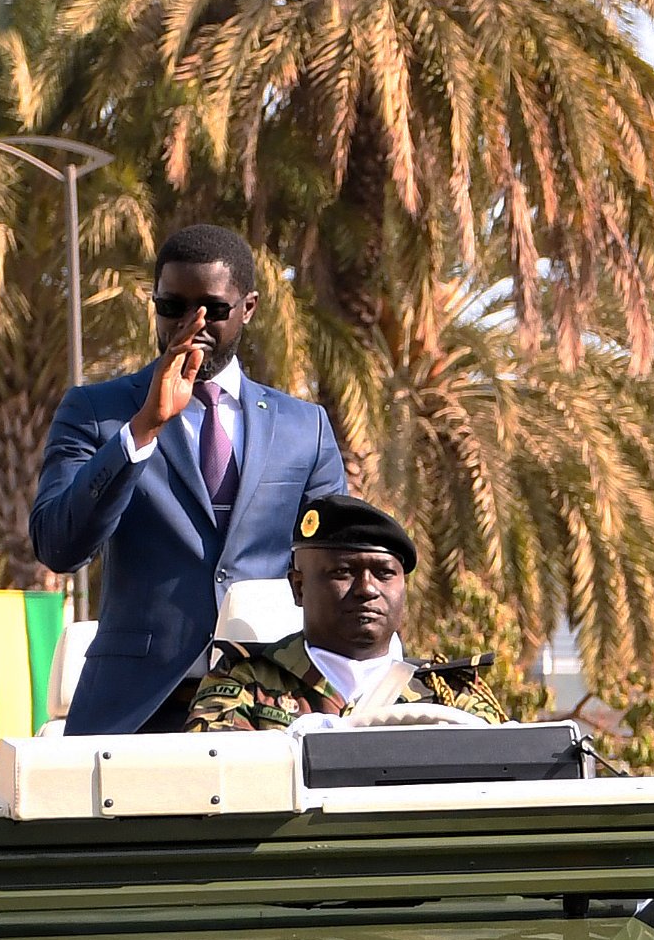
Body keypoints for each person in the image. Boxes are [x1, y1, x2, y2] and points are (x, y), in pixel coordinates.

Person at [28, 225, 352, 734]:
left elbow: (338, 562)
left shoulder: (302, 427)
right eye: (172, 307)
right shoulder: (97, 412)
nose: (191, 325)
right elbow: (58, 546)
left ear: (249, 308)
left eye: (213, 309)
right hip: (134, 712)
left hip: (270, 712)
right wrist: (141, 430)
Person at [183, 498, 509, 728]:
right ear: (299, 587)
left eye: (384, 574)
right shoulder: (244, 683)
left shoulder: (449, 692)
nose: (367, 589)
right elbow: (216, 778)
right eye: (343, 572)